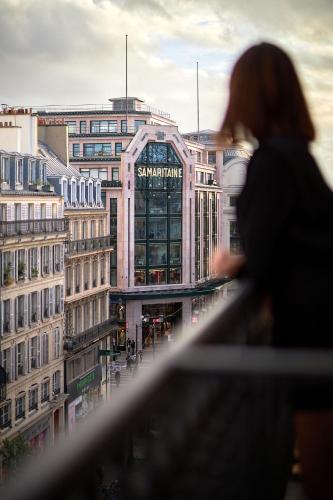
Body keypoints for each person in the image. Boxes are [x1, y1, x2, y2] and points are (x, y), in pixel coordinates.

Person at [214, 42, 333, 500]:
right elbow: (298, 241)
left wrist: (229, 263)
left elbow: (263, 263)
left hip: (311, 338)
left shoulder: (269, 164)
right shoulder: (300, 160)